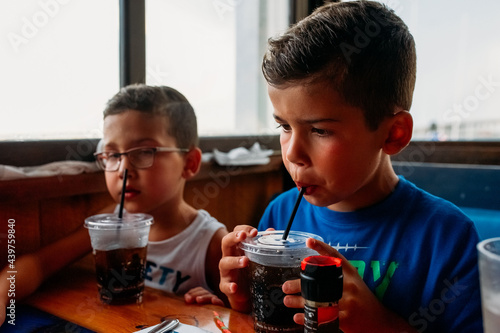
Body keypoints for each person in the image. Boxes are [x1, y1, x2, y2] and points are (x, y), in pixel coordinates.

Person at [219, 1, 483, 332]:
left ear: (393, 134)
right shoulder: (278, 215)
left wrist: (381, 324)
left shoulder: (446, 238)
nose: (293, 153)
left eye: (319, 130)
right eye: (284, 127)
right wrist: (245, 299)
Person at [0, 84, 228, 326]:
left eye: (143, 152)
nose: (123, 170)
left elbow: (234, 314)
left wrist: (215, 306)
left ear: (189, 163)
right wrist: (3, 293)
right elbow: (40, 264)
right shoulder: (112, 221)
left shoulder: (210, 241)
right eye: (113, 155)